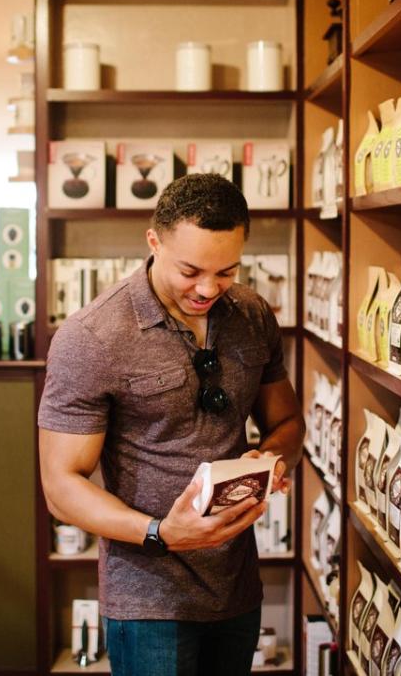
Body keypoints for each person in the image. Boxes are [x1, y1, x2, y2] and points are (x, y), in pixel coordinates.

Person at [38, 173, 305, 676]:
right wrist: (163, 532)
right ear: (154, 242)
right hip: (148, 600)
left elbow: (287, 420)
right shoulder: (92, 336)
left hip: (238, 584)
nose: (208, 288)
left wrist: (271, 457)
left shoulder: (252, 314)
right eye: (190, 270)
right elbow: (60, 486)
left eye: (226, 270)